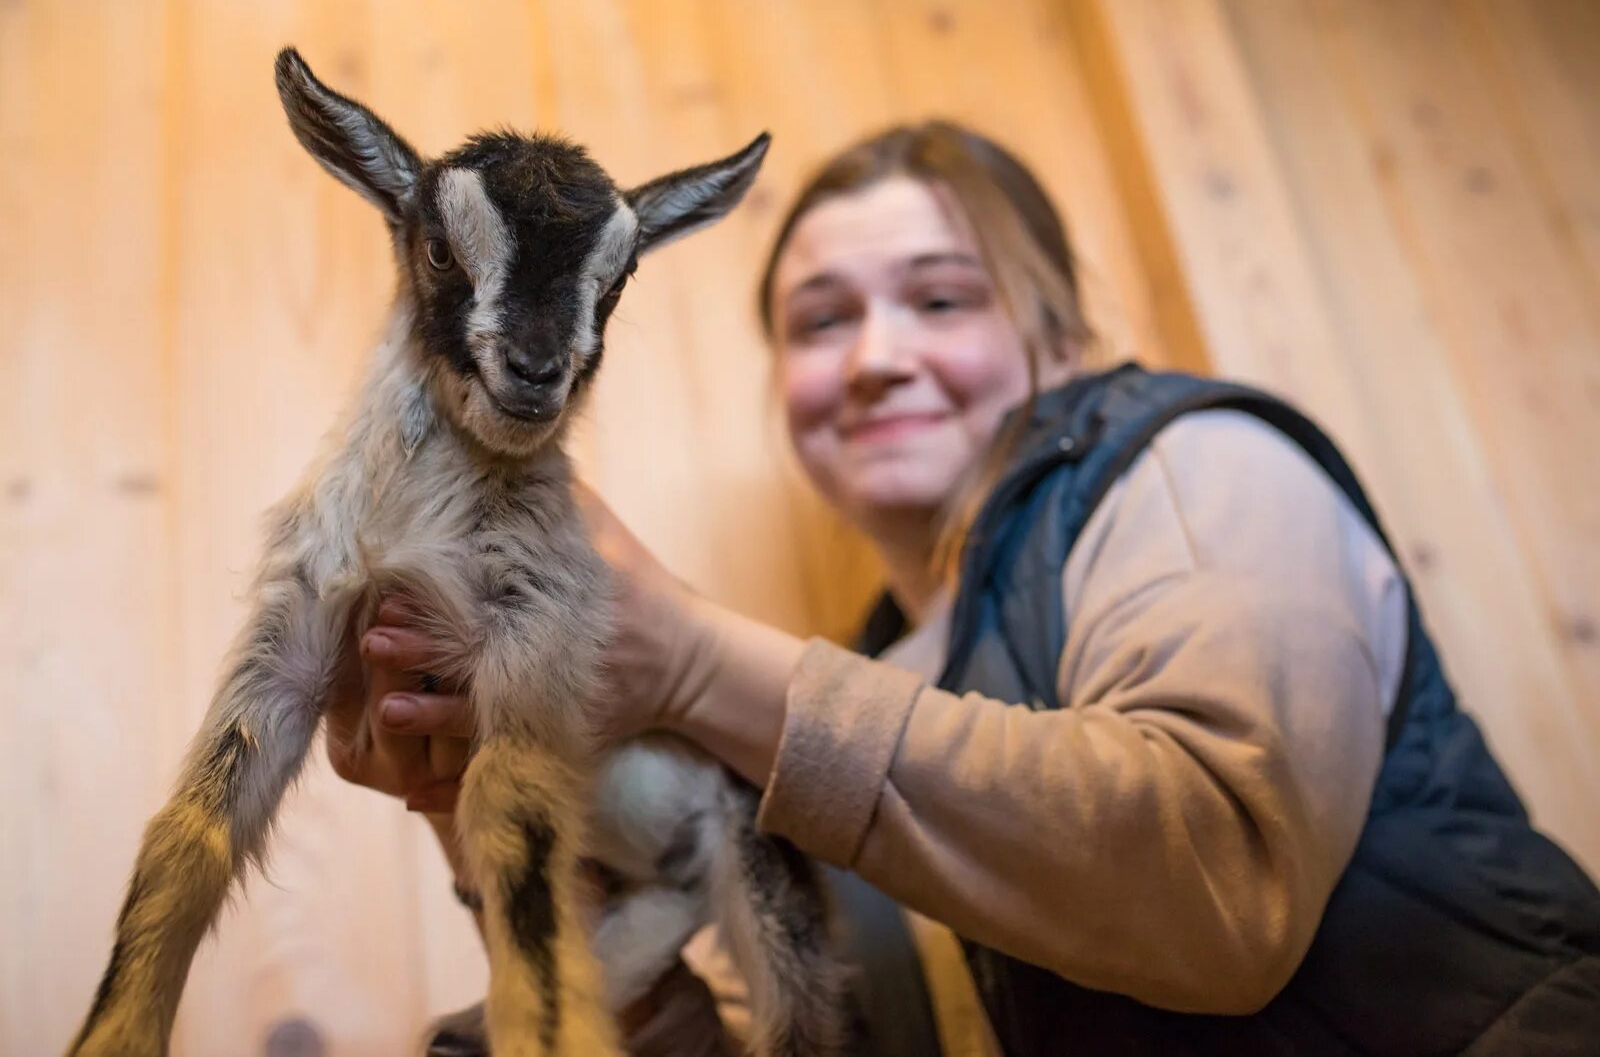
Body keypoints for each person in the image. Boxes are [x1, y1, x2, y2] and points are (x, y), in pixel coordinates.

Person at [328, 122, 1600, 1054]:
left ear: (1055, 332)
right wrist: (485, 826)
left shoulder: (1187, 462)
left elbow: (1220, 893)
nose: (876, 358)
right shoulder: (848, 699)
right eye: (821, 322)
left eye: (940, 298)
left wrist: (695, 665)